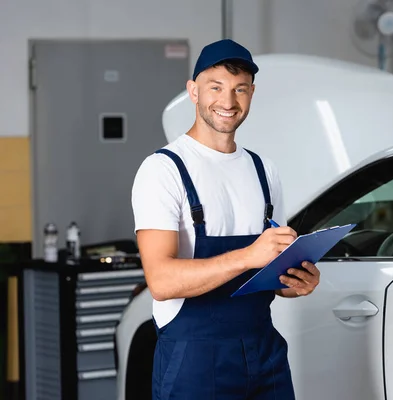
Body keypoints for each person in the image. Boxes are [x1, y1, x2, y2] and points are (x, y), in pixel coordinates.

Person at [131, 39, 321, 400]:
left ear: (252, 94)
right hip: (194, 358)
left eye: (240, 89)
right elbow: (161, 280)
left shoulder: (265, 171)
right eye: (215, 87)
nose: (228, 101)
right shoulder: (163, 170)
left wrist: (294, 283)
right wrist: (249, 255)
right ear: (193, 92)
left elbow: (270, 276)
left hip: (264, 352)